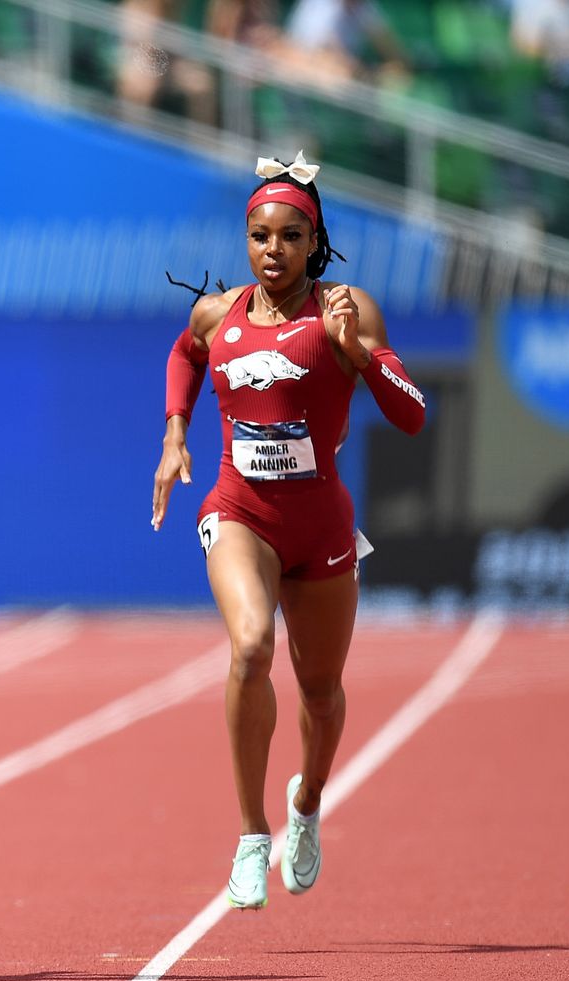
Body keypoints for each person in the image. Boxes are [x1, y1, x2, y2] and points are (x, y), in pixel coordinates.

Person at [151, 153, 427, 909]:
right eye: (259, 235)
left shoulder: (346, 308)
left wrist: (360, 355)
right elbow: (185, 351)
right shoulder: (219, 313)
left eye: (289, 237)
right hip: (239, 512)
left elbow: (412, 415)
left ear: (315, 242)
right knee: (248, 647)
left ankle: (306, 807)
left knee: (322, 694)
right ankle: (251, 833)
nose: (272, 250)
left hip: (323, 528)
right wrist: (176, 434)